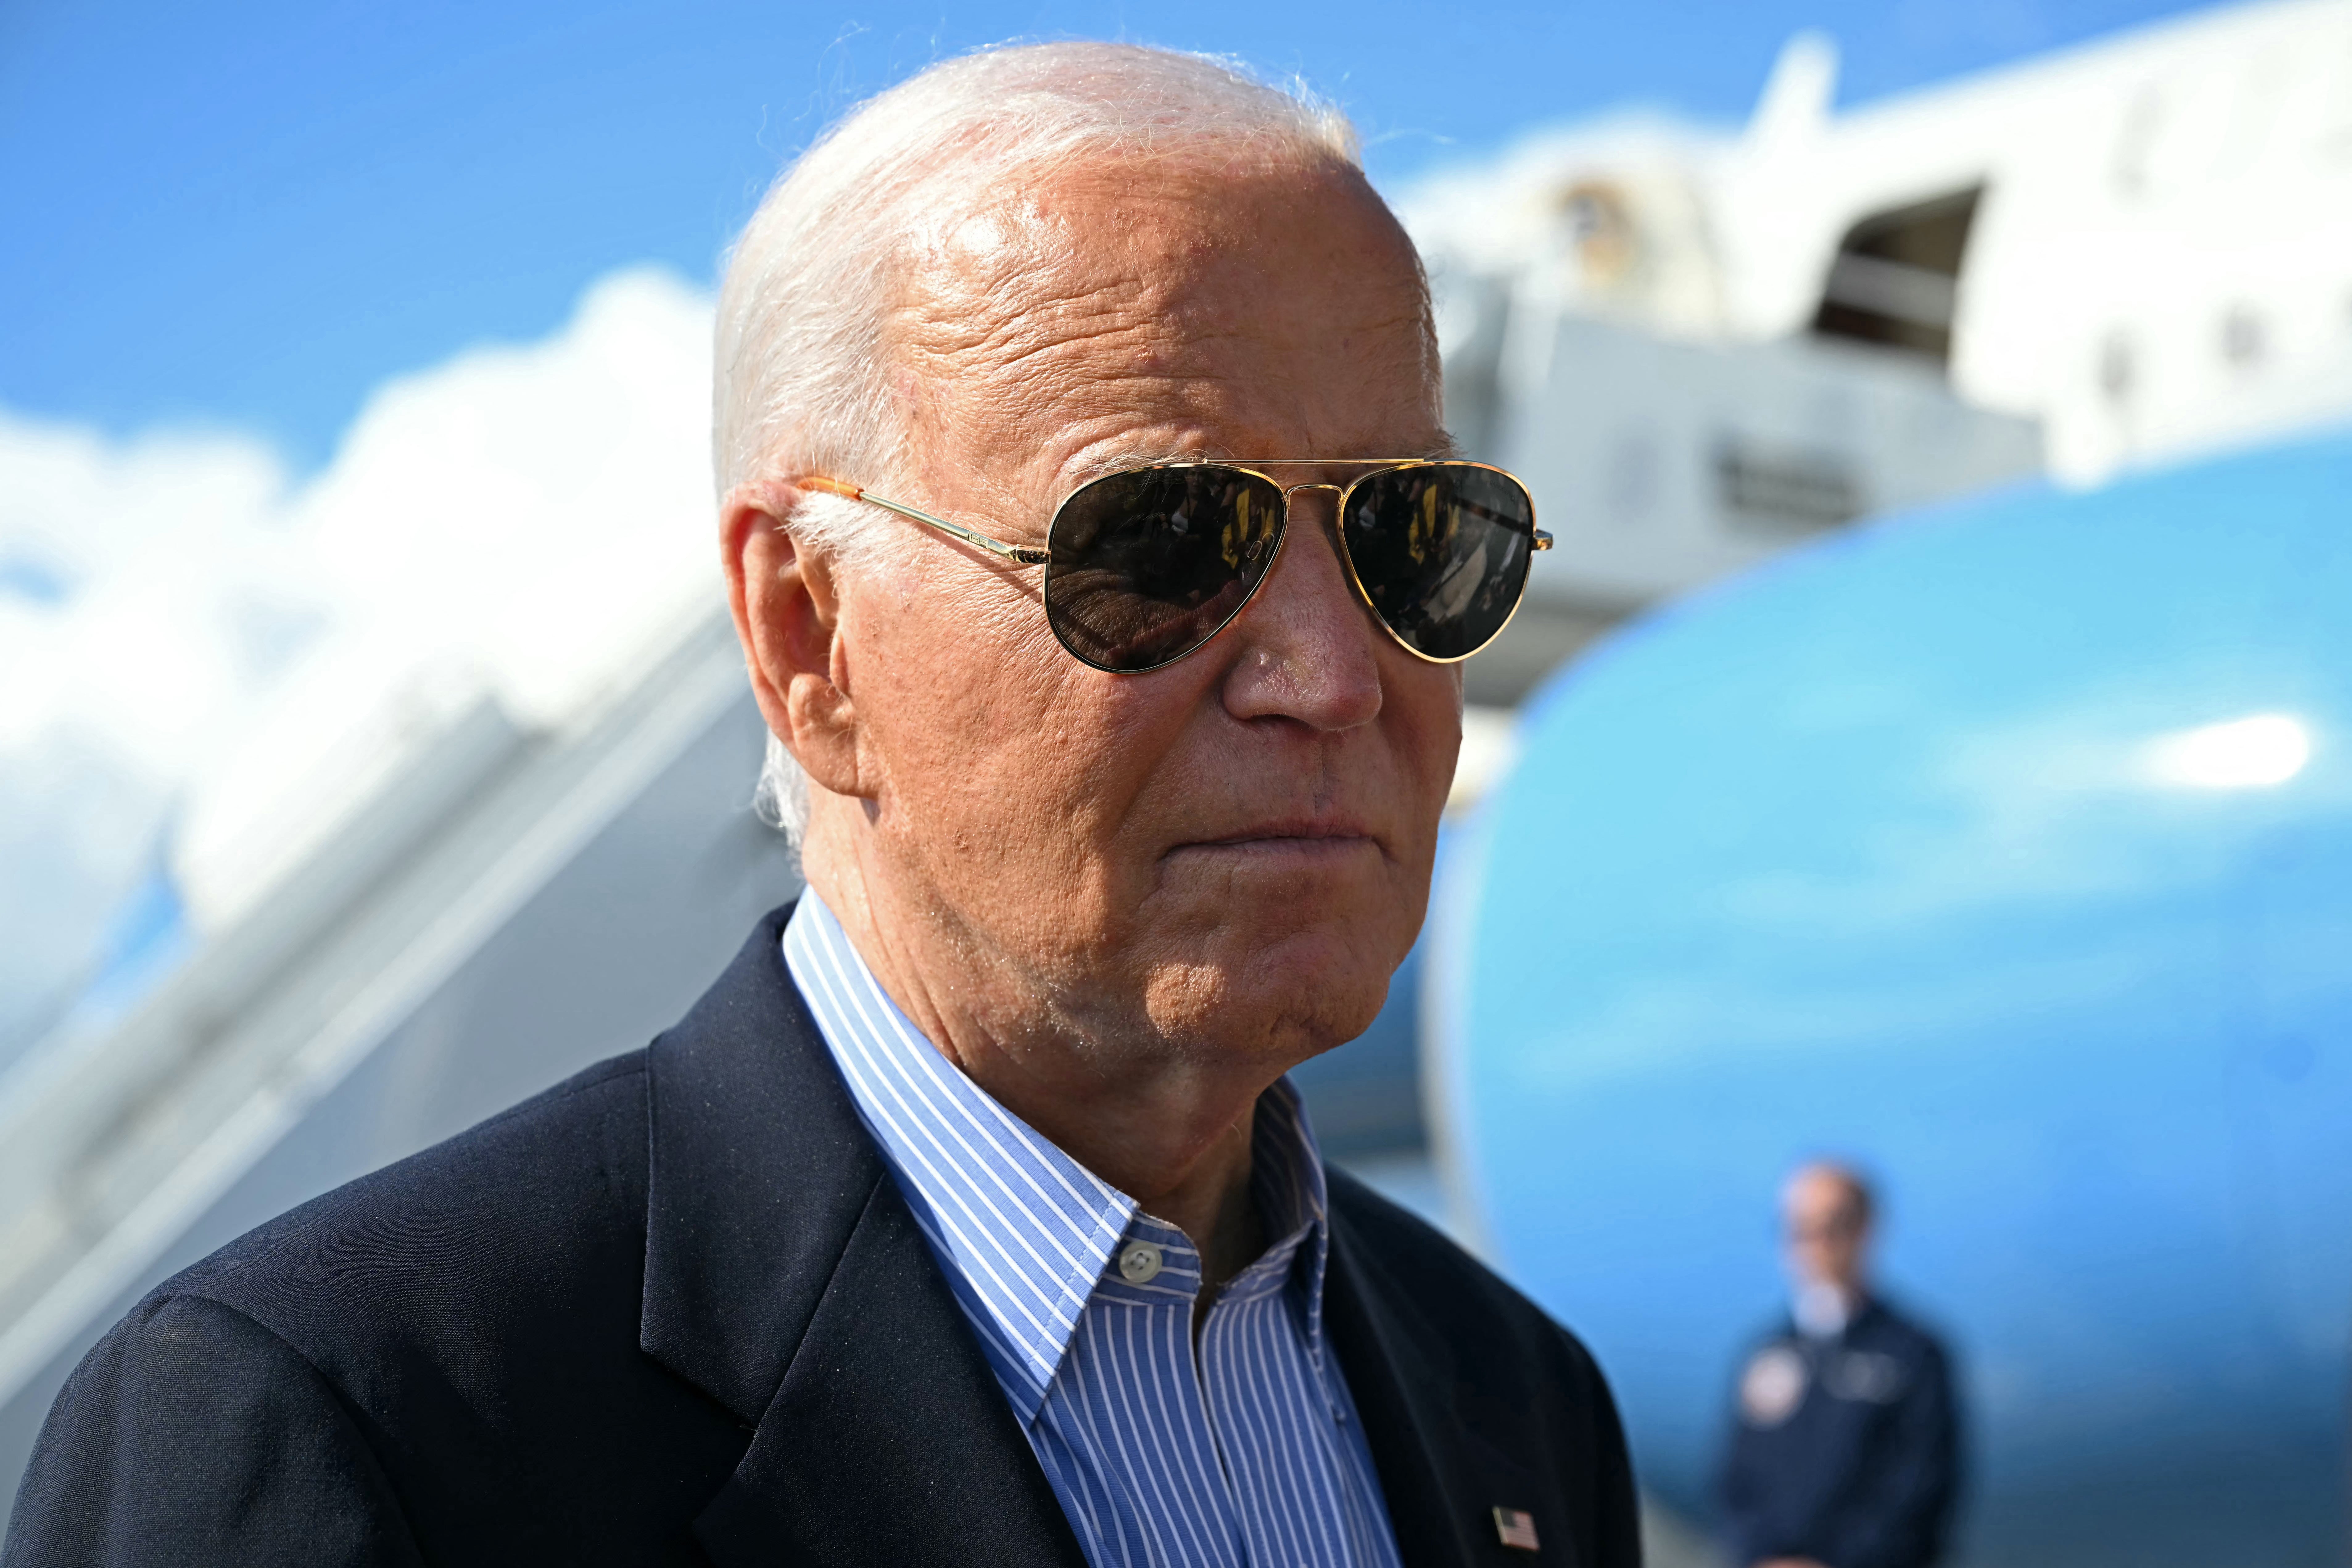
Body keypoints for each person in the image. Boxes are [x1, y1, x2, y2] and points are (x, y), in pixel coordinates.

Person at [2, 43, 1639, 1568]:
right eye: (1162, 539)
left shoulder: (1517, 1401)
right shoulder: (333, 1423)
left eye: (1413, 532)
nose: (1330, 674)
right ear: (806, 635)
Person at [1718, 1162, 1961, 1568]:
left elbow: (1920, 1486)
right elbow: (1736, 1483)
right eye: (1800, 1229)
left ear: (1866, 1229)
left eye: (1834, 1226)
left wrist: (1834, 1562)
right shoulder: (1767, 1353)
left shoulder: (1910, 1354)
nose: (1816, 1245)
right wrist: (1764, 1559)